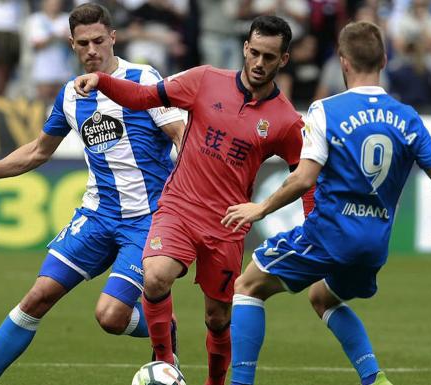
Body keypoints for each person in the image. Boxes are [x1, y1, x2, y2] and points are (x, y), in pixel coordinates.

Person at [0, 4, 185, 385]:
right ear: (71, 44)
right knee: (36, 296)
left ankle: (162, 326)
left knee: (110, 317)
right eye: (83, 43)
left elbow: (180, 134)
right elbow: (38, 151)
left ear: (113, 38)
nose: (92, 50)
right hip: (98, 216)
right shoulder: (70, 95)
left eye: (99, 41)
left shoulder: (143, 78)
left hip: (148, 219)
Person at [220, 21, 431, 385]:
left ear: (343, 61)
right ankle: (375, 379)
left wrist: (259, 209)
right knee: (323, 298)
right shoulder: (408, 118)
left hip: (329, 235)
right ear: (384, 60)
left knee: (247, 287)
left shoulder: (326, 111)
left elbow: (304, 178)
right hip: (373, 245)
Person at [74, 15, 314, 385]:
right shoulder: (205, 80)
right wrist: (103, 82)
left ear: (283, 59)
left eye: (269, 56)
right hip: (179, 206)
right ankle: (166, 364)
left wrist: (310, 225)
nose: (259, 63)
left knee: (217, 319)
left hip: (226, 224)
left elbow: (306, 177)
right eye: (254, 53)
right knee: (154, 277)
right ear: (245, 49)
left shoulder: (285, 120)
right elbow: (144, 97)